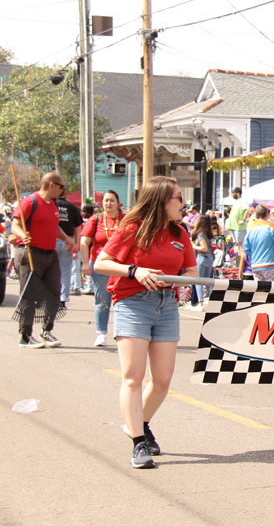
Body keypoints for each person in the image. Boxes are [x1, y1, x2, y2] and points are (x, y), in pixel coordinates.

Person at [93, 176, 197, 468]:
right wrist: (134, 271)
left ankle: (139, 424)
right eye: (178, 197)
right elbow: (101, 263)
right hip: (132, 303)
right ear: (162, 201)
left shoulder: (180, 233)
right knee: (133, 377)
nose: (183, 203)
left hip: (167, 305)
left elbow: (191, 272)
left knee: (162, 380)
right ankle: (139, 443)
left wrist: (178, 281)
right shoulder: (132, 228)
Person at [11, 172, 76, 349]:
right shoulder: (29, 202)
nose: (62, 191)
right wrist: (22, 235)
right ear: (51, 185)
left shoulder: (53, 204)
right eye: (61, 187)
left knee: (54, 293)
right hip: (30, 253)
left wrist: (66, 238)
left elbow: (54, 226)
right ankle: (25, 336)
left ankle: (46, 331)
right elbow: (15, 225)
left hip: (50, 255)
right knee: (29, 294)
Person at [80, 191, 124, 346]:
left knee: (122, 301)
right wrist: (85, 263)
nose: (109, 203)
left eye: (112, 200)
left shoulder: (125, 220)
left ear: (118, 203)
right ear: (101, 203)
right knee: (102, 301)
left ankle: (121, 333)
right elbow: (84, 242)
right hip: (100, 266)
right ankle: (101, 333)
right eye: (106, 201)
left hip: (120, 267)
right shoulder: (95, 219)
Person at [55, 191, 84, 309]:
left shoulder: (52, 205)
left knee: (51, 271)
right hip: (68, 241)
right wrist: (76, 245)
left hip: (53, 240)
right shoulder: (72, 207)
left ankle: (50, 298)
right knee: (66, 271)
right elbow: (78, 228)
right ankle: (63, 299)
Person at [244, 205, 274, 282]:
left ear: (256, 215)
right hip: (270, 264)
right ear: (267, 214)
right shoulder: (272, 227)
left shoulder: (251, 230)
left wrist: (255, 255)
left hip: (255, 266)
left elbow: (246, 248)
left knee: (261, 288)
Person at [190, 214, 215, 304]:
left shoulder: (201, 234)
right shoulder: (209, 233)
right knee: (207, 280)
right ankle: (212, 300)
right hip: (210, 258)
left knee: (198, 281)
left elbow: (204, 248)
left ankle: (201, 303)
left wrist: (193, 246)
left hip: (202, 257)